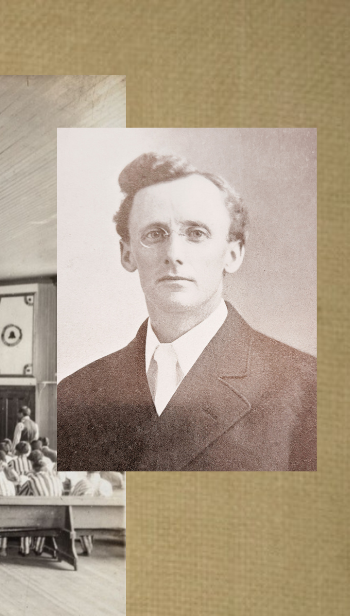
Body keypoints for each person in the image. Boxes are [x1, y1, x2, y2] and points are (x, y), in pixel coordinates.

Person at [58, 152, 316, 471]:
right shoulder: (74, 395)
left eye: (196, 233)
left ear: (232, 254)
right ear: (127, 254)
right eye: (155, 234)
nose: (174, 255)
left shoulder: (307, 387)